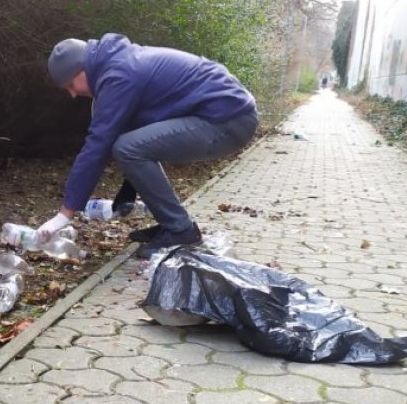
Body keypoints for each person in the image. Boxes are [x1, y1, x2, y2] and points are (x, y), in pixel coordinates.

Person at [35, 33, 259, 259]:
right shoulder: (117, 64)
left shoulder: (119, 74)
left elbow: (97, 145)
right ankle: (172, 225)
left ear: (80, 70)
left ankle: (180, 230)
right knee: (130, 144)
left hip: (228, 119)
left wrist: (64, 214)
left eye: (70, 85)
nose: (73, 94)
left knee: (126, 148)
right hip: (226, 114)